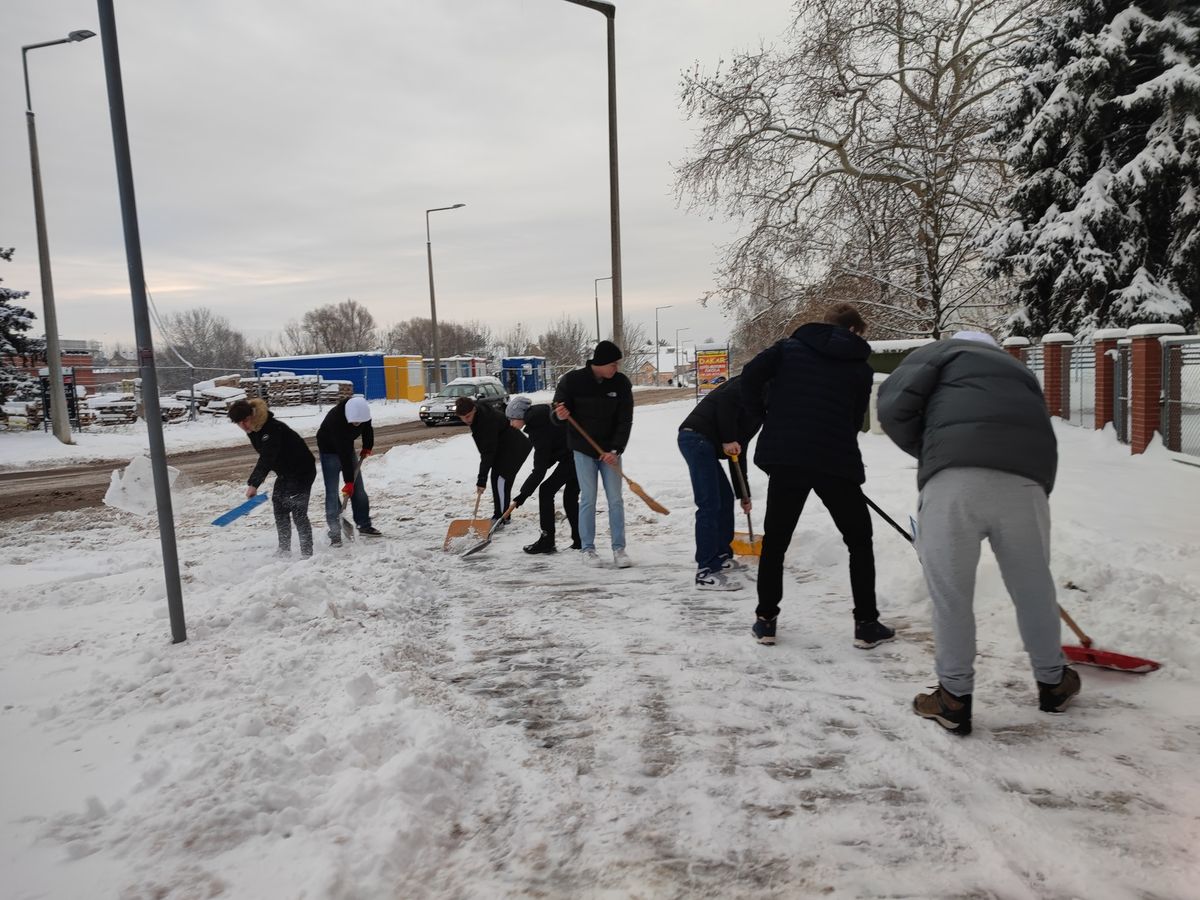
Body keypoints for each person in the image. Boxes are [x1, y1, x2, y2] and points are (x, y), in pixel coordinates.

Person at [877, 330, 1079, 736]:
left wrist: (934, 447)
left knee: (951, 595)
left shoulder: (940, 352)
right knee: (1034, 588)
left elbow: (892, 404)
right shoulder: (1020, 371)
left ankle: (953, 698)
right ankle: (1053, 682)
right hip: (1025, 483)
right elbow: (1041, 431)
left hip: (954, 485)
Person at [739, 302, 893, 648]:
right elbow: (855, 419)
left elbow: (750, 375)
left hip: (787, 456)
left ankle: (766, 622)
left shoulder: (788, 349)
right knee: (859, 540)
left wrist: (764, 415)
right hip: (834, 459)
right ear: (853, 330)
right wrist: (837, 440)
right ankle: (866, 624)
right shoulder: (860, 366)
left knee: (776, 541)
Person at [552, 340, 634, 568]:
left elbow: (625, 420)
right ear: (601, 363)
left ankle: (619, 548)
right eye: (613, 364)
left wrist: (615, 449)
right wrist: (559, 414)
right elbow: (556, 410)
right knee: (588, 498)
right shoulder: (572, 381)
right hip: (584, 449)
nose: (616, 368)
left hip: (611, 452)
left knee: (615, 499)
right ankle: (587, 549)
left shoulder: (621, 383)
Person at [677, 375, 762, 590]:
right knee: (709, 504)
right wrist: (728, 438)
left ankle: (722, 556)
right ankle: (705, 572)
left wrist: (743, 494)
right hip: (695, 438)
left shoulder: (760, 408)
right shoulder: (757, 381)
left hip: (705, 442)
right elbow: (725, 400)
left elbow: (738, 451)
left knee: (724, 499)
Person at [227, 397, 316, 558]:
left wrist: (254, 484)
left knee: (297, 510)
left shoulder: (271, 428)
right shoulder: (254, 429)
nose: (243, 426)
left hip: (302, 471)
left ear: (252, 415)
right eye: (239, 423)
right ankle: (284, 549)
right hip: (285, 473)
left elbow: (267, 457)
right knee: (279, 506)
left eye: (245, 420)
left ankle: (307, 553)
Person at [506, 396, 582, 553]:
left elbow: (539, 470)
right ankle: (580, 540)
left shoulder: (538, 428)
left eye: (512, 419)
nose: (511, 424)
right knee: (570, 498)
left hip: (574, 458)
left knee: (546, 491)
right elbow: (551, 450)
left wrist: (523, 495)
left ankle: (547, 541)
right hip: (579, 455)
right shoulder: (541, 416)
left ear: (520, 416)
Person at [456, 396, 531, 524]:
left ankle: (501, 518)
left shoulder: (486, 422)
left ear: (474, 410)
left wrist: (481, 480)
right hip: (503, 447)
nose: (466, 420)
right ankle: (502, 515)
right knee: (497, 479)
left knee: (501, 480)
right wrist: (483, 479)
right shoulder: (478, 414)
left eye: (468, 416)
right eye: (462, 417)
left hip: (514, 448)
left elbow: (487, 453)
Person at [317, 395, 380, 546]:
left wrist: (367, 446)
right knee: (332, 492)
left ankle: (364, 525)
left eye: (359, 422)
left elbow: (367, 429)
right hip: (329, 450)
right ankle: (335, 534)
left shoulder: (363, 413)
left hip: (346, 448)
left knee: (359, 490)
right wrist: (348, 482)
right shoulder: (336, 419)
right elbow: (343, 453)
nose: (356, 424)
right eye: (354, 422)